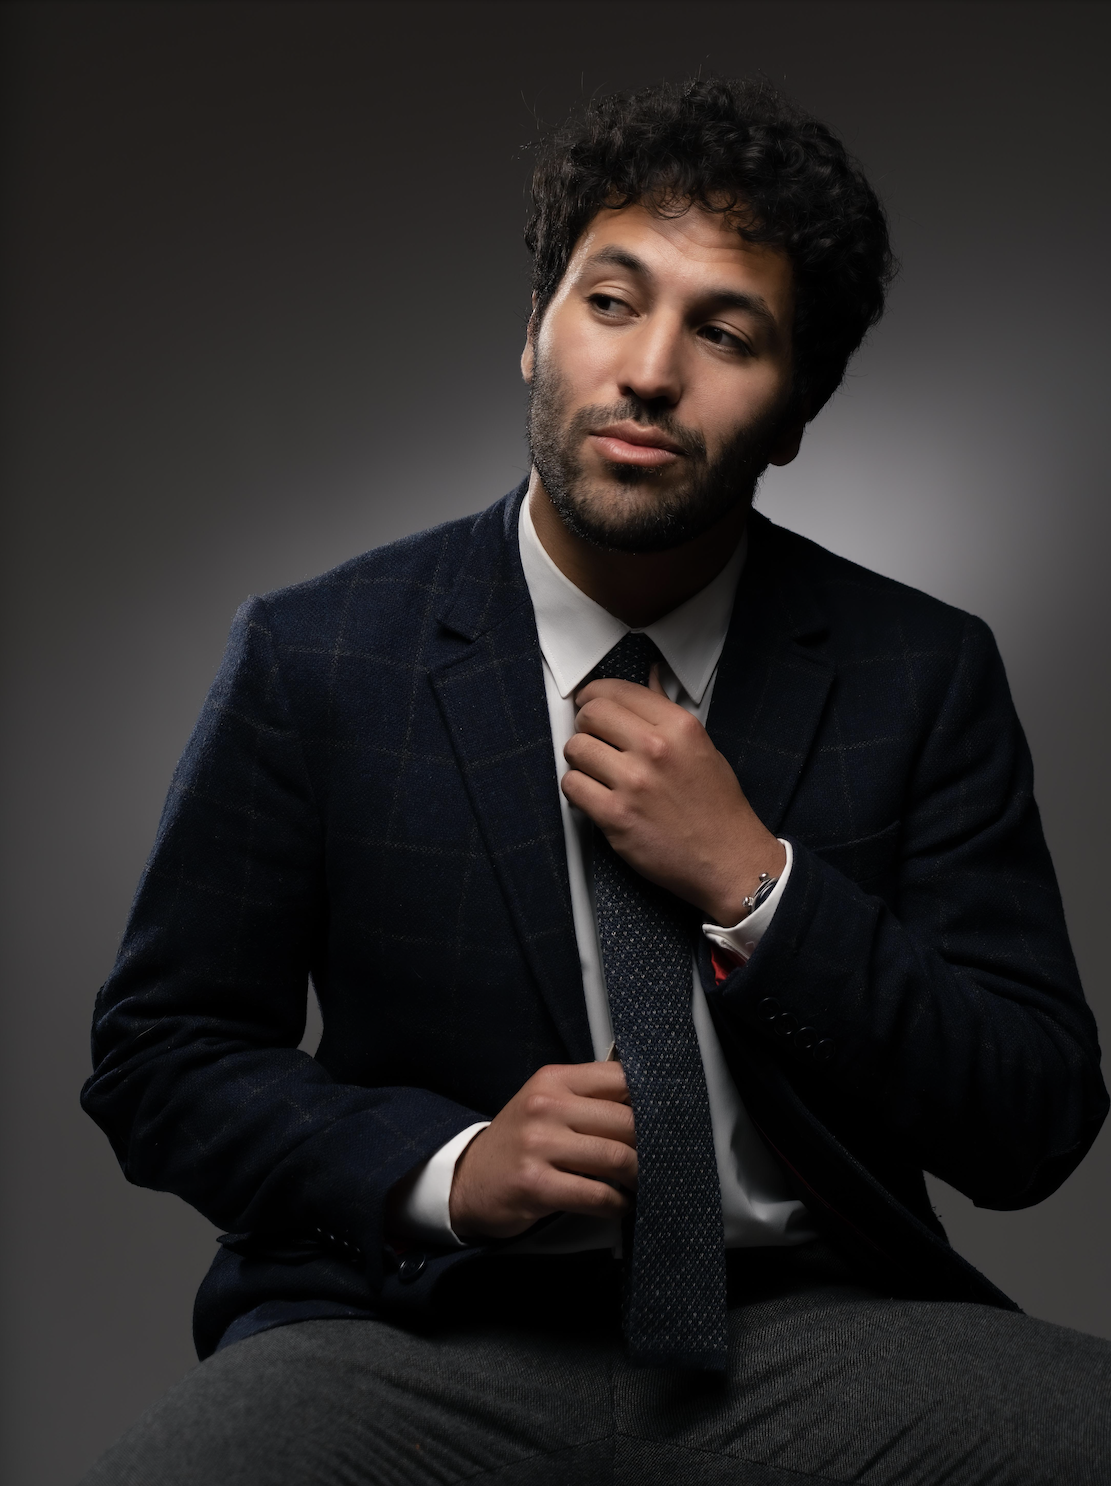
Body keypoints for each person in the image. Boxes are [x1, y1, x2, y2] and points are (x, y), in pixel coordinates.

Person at [80, 78, 1111, 1484]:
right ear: (535, 330)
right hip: (415, 1330)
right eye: (612, 302)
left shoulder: (920, 672)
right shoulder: (316, 653)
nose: (650, 371)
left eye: (726, 333)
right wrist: (448, 1168)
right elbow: (161, 1056)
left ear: (797, 409)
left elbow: (1034, 1116)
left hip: (815, 1332)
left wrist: (761, 885)